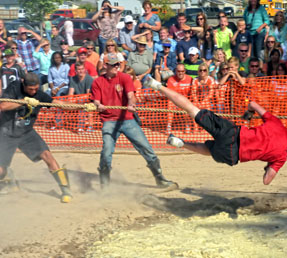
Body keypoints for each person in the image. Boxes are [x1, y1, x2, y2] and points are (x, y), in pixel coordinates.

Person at [144, 81, 287, 185]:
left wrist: (249, 113)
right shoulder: (282, 157)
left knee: (192, 109)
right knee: (210, 150)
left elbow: (252, 103)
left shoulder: (277, 123)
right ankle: (181, 143)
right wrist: (268, 167)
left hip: (233, 133)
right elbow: (267, 181)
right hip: (233, 153)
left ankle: (157, 85)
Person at [0, 72, 96, 202]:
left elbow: (59, 104)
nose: (34, 92)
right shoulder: (14, 87)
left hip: (26, 132)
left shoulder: (40, 95)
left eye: (36, 88)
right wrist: (24, 101)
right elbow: (3, 105)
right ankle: (9, 179)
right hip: (7, 132)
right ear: (24, 85)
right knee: (1, 170)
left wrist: (82, 107)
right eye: (30, 89)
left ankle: (65, 189)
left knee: (47, 156)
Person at [90, 55, 177, 189]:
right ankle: (105, 183)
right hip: (109, 120)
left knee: (146, 148)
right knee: (106, 151)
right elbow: (96, 100)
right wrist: (98, 104)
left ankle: (160, 178)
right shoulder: (97, 82)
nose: (116, 67)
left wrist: (131, 104)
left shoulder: (124, 78)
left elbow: (131, 95)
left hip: (127, 119)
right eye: (113, 65)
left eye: (117, 64)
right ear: (105, 66)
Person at [165, 63, 192, 134]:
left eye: (182, 71)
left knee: (186, 105)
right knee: (170, 104)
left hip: (186, 100)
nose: (180, 73)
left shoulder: (190, 79)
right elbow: (170, 94)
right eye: (179, 71)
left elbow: (192, 93)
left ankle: (187, 125)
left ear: (185, 71)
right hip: (174, 101)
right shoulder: (171, 80)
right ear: (176, 71)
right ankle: (168, 126)